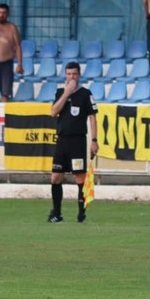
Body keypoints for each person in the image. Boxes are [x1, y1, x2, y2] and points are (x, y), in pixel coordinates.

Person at [47, 62, 99, 224]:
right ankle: (57, 213)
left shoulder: (85, 94)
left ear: (79, 75)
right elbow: (53, 112)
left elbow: (93, 118)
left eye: (74, 74)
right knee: (55, 178)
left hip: (78, 141)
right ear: (65, 75)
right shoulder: (60, 92)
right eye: (69, 74)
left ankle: (81, 214)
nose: (71, 77)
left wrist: (94, 140)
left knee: (79, 178)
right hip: (62, 141)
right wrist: (66, 93)